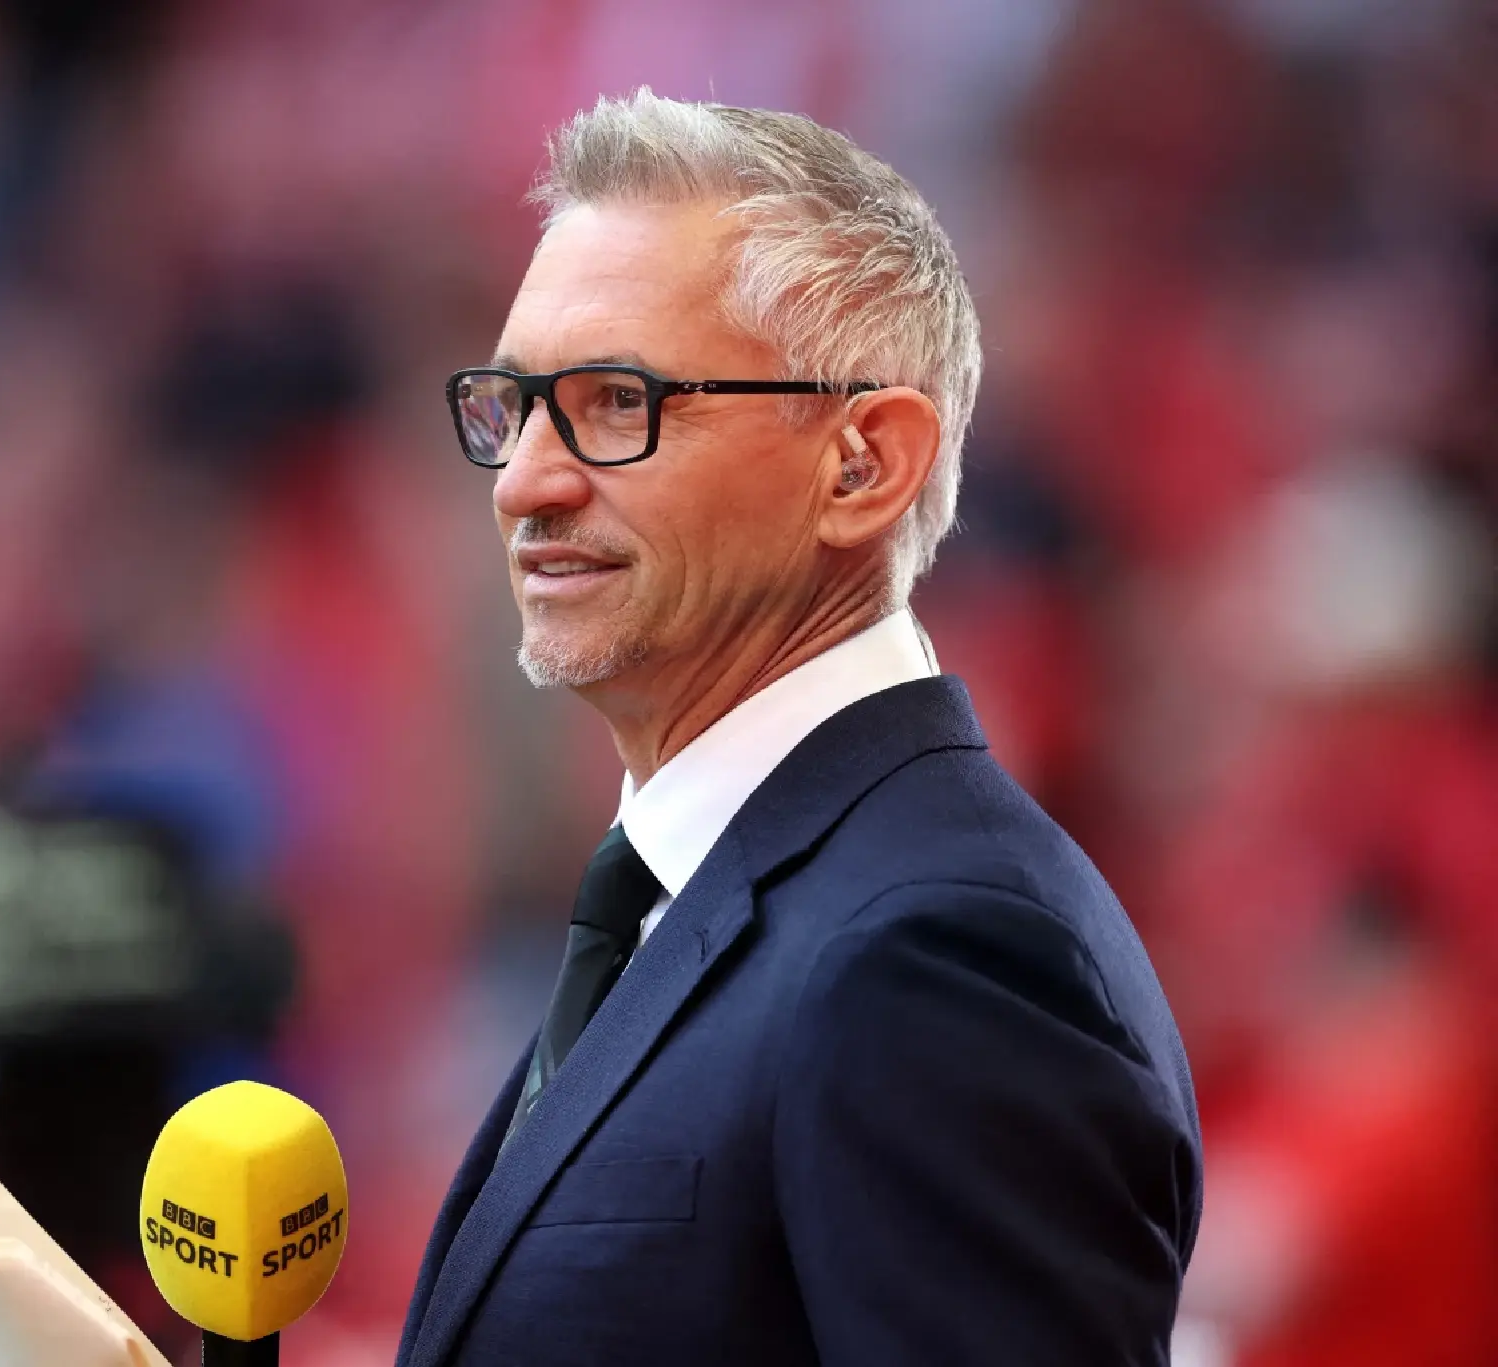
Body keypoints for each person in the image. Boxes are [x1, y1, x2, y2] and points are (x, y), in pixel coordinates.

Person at [398, 90, 1201, 1367]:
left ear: (861, 464)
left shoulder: (939, 951)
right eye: (514, 406)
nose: (524, 481)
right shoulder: (716, 896)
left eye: (615, 402)